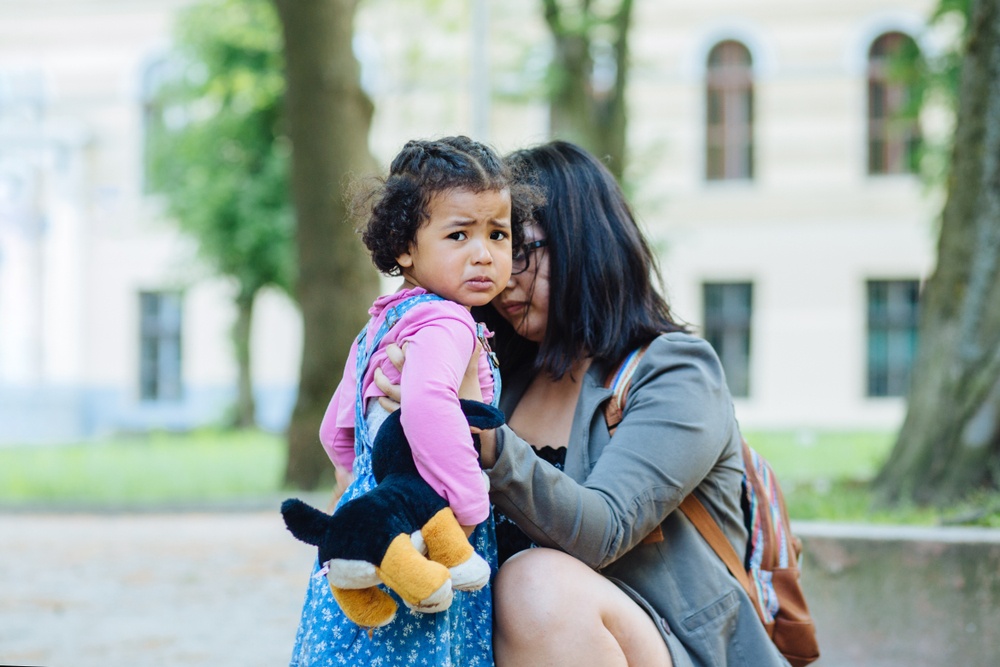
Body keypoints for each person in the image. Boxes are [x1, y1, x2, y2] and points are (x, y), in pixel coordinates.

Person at [377, 141, 790, 666]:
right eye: (484, 241)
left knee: (536, 585)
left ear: (584, 245)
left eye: (515, 246)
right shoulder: (503, 376)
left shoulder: (675, 373)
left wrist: (480, 435)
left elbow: (602, 531)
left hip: (680, 648)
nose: (503, 271)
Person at [288, 135, 538, 667]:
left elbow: (338, 424)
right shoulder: (448, 322)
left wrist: (348, 480)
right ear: (404, 246)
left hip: (374, 515)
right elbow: (427, 404)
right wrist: (468, 506)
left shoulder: (385, 320)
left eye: (498, 234)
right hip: (429, 524)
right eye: (458, 234)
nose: (484, 254)